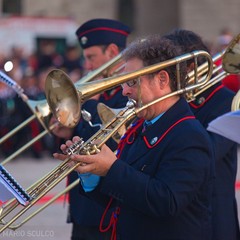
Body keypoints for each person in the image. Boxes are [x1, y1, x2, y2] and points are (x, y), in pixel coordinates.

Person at [54, 35, 215, 240]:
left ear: (162, 80)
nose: (124, 91)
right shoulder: (141, 126)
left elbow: (167, 202)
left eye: (131, 82)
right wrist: (89, 171)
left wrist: (112, 168)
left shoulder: (189, 135)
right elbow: (122, 199)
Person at [51, 19, 131, 240]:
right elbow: (79, 142)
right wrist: (65, 132)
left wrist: (92, 106)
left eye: (91, 57)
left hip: (107, 207)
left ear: (113, 51)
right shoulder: (97, 91)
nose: (87, 65)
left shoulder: (128, 91)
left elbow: (116, 143)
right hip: (82, 205)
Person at [164, 28, 240, 240]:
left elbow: (207, 153)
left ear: (190, 67)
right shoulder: (175, 101)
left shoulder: (226, 101)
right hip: (178, 217)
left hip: (213, 216)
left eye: (170, 69)